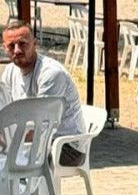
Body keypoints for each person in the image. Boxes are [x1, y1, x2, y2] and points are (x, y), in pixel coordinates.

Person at [1, 18, 84, 163]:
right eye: (11, 46)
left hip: (65, 146)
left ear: (35, 44)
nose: (17, 50)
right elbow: (5, 113)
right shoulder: (10, 72)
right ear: (4, 48)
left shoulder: (51, 73)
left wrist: (8, 139)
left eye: (22, 44)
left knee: (10, 160)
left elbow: (40, 128)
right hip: (31, 141)